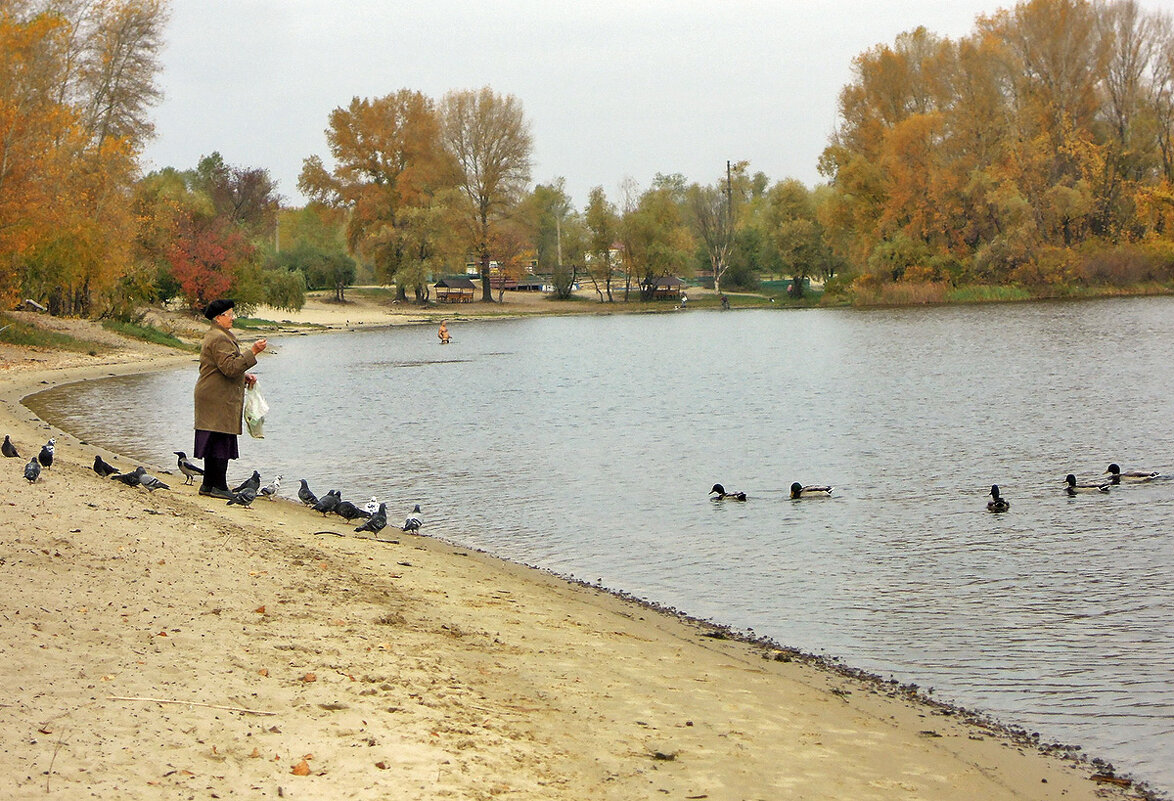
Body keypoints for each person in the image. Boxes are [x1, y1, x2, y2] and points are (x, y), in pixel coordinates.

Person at [193, 299, 266, 499]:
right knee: (219, 440)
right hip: (217, 397)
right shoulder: (219, 338)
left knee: (214, 439)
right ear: (219, 317)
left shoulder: (216, 335)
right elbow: (230, 367)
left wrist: (244, 378)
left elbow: (222, 368)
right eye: (229, 314)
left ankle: (208, 485)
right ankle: (218, 486)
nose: (233, 318)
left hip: (213, 395)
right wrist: (253, 353)